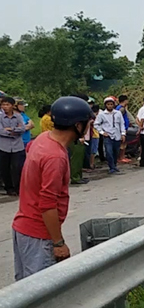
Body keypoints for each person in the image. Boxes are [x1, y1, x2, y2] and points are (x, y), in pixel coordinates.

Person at [12, 96, 94, 280]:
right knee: (40, 291)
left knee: (25, 288)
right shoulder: (55, 156)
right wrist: (58, 243)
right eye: (88, 123)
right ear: (78, 126)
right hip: (38, 232)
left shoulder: (42, 139)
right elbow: (48, 204)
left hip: (22, 227)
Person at [0, 96, 26, 196]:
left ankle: (19, 187)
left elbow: (23, 128)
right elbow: (1, 131)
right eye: (3, 105)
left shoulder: (18, 116)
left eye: (7, 105)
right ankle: (9, 188)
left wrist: (10, 129)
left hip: (17, 146)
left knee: (17, 167)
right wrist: (15, 130)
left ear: (12, 106)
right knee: (4, 168)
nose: (5, 107)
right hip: (3, 146)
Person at [94, 96, 127, 174]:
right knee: (109, 152)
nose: (110, 106)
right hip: (108, 136)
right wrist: (102, 132)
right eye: (108, 104)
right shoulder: (102, 115)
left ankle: (114, 165)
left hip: (117, 135)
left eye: (111, 104)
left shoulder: (118, 113)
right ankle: (111, 167)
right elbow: (96, 124)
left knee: (116, 151)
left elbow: (122, 124)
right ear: (106, 105)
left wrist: (123, 134)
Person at [115, 95, 132, 164]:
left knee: (124, 143)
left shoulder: (119, 108)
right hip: (122, 128)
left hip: (124, 127)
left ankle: (122, 157)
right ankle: (121, 157)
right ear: (125, 100)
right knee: (123, 143)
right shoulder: (121, 109)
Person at [84, 104, 101, 171]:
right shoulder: (93, 117)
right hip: (94, 135)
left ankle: (91, 163)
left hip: (93, 135)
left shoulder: (92, 116)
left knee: (92, 151)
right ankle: (91, 164)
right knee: (93, 151)